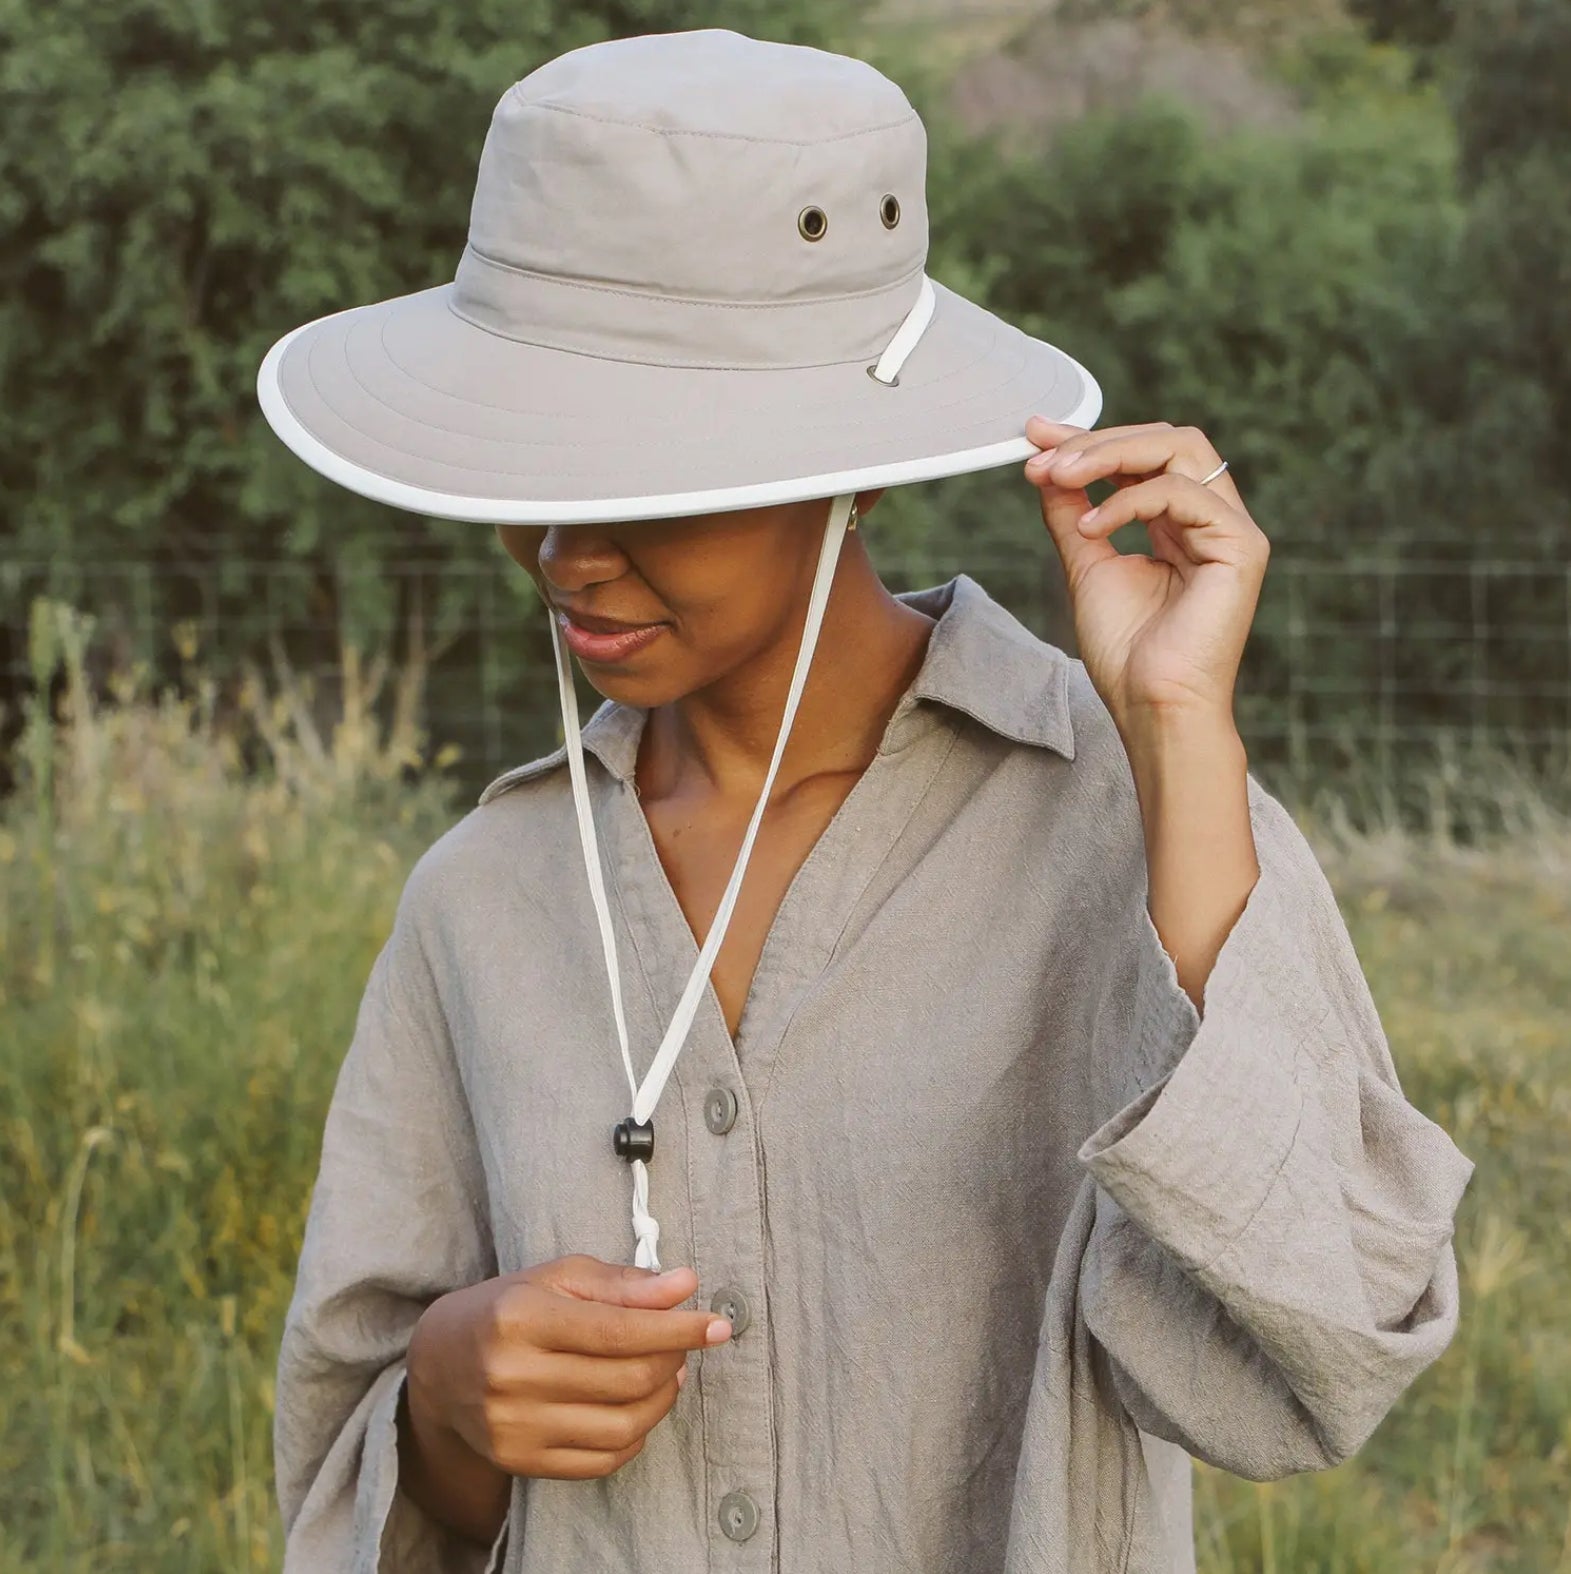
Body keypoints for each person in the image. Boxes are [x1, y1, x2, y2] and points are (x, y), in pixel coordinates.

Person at [259, 27, 1474, 1574]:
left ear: (858, 464)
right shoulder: (480, 898)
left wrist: (1175, 733)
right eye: (527, 466)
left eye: (642, 480)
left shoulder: (1115, 827)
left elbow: (1325, 1356)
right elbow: (348, 1469)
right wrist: (442, 1406)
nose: (565, 551)